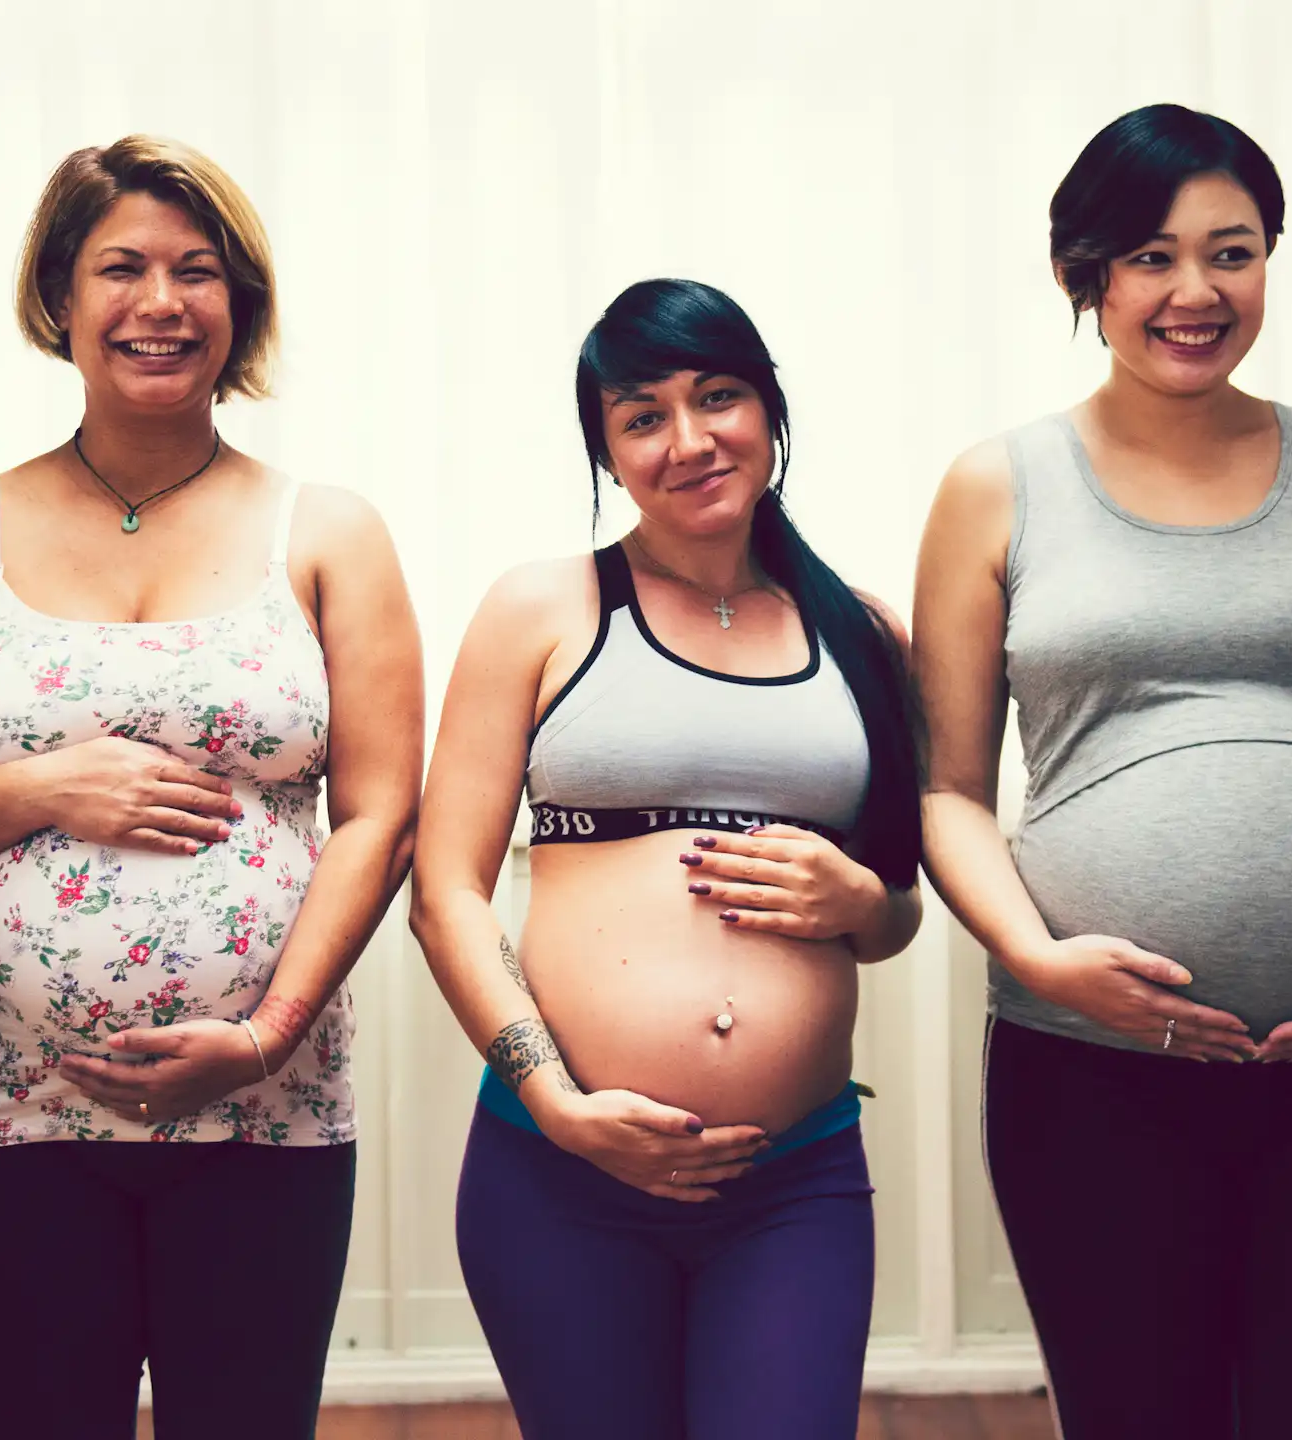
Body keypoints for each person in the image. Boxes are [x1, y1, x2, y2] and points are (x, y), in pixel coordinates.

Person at [910, 104, 1292, 1437]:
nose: (1195, 291)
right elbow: (948, 792)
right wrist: (1037, 958)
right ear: (1084, 275)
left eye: (1232, 253)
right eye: (1150, 255)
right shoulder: (997, 488)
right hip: (1091, 1072)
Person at [0, 136, 422, 1438]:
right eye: (122, 267)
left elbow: (382, 818)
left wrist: (263, 1037)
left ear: (239, 306)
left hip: (270, 1109)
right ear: (57, 296)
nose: (160, 303)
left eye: (196, 272)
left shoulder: (327, 531)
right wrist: (49, 786)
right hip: (17, 1113)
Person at [409, 277, 922, 1440]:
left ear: (770, 410)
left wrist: (860, 900)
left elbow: (897, 912)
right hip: (562, 1175)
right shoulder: (544, 609)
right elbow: (443, 893)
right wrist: (556, 1100)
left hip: (792, 1182)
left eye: (719, 397)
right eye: (643, 415)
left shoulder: (865, 634)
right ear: (606, 448)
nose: (688, 441)